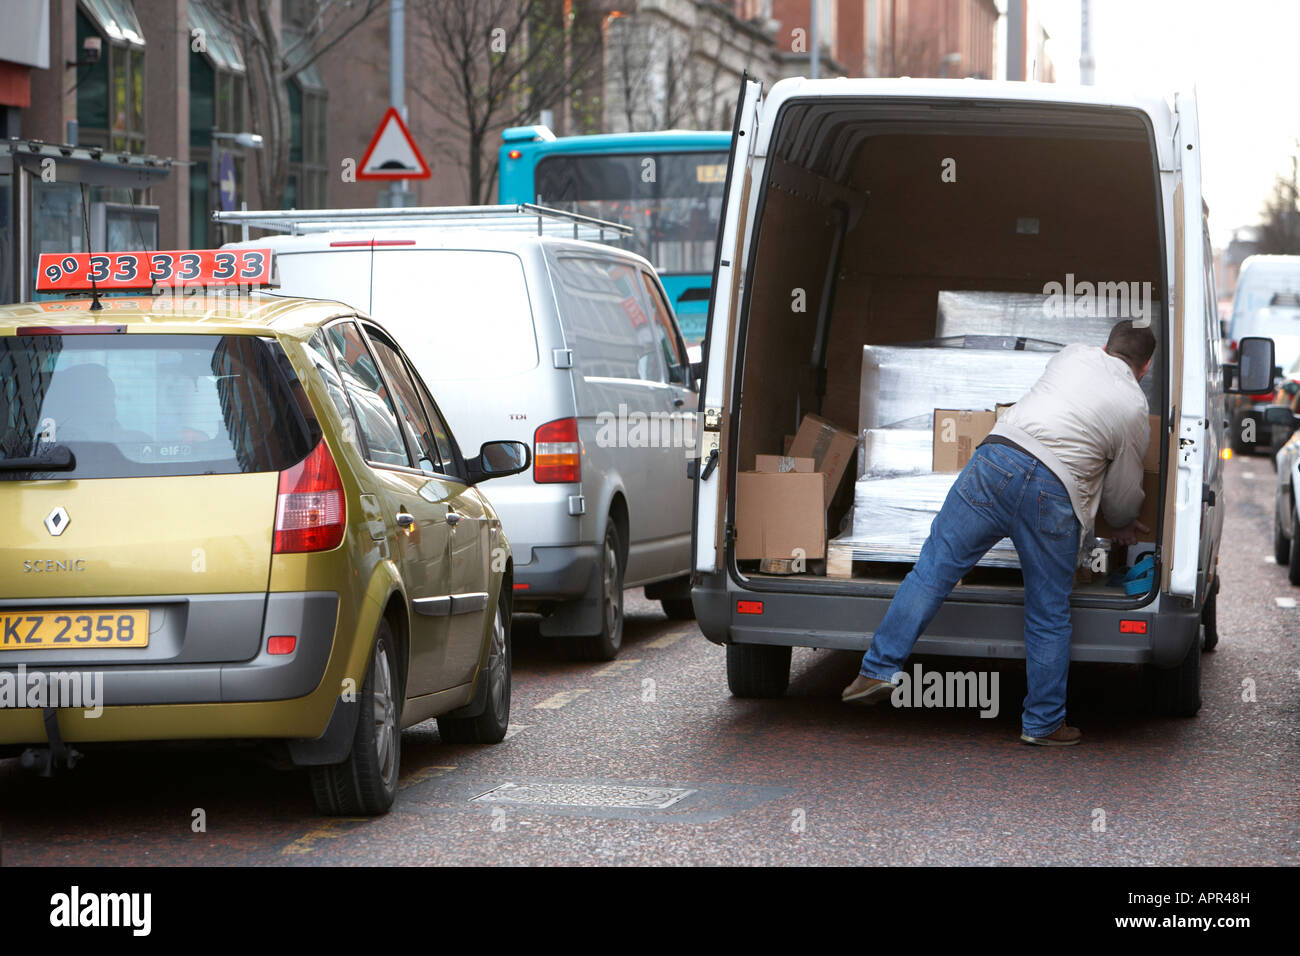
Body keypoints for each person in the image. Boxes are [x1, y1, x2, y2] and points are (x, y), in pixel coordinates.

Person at [841, 320, 1157, 746]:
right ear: (1146, 367)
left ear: (1105, 345)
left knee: (932, 570)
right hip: (1055, 490)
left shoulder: (1073, 354)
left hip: (996, 461)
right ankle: (1042, 724)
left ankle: (877, 669)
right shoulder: (1135, 406)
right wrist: (1121, 521)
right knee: (1048, 613)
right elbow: (1121, 497)